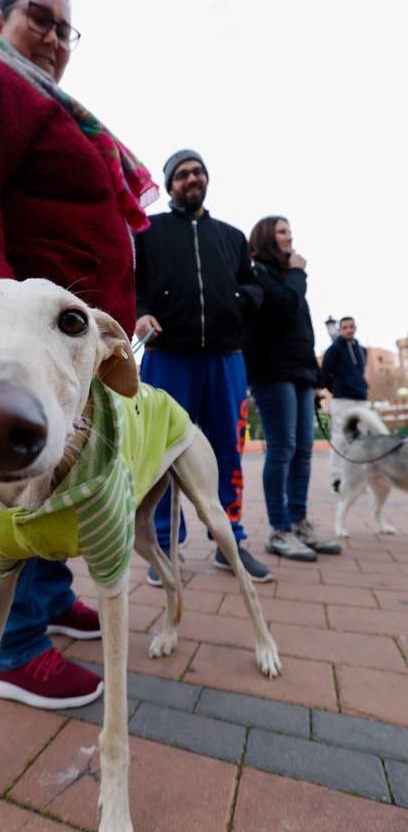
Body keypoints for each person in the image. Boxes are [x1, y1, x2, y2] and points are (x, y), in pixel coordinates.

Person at [0, 0, 156, 708]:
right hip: (24, 336)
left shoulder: (56, 112)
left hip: (68, 343)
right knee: (13, 454)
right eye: (37, 19)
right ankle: (12, 647)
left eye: (63, 30)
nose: (51, 39)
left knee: (63, 464)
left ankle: (46, 600)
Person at [134, 150, 273, 584]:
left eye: (197, 172)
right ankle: (163, 546)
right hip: (166, 356)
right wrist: (139, 315)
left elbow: (254, 287)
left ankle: (228, 539)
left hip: (225, 358)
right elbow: (132, 284)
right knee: (159, 453)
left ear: (206, 179)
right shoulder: (148, 233)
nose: (190, 178)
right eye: (180, 174)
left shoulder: (232, 237)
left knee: (227, 453)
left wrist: (238, 303)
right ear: (170, 184)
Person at [243, 216, 341, 561]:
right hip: (272, 373)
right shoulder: (258, 272)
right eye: (283, 231)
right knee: (282, 448)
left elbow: (303, 331)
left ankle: (299, 522)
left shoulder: (287, 278)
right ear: (268, 237)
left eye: (290, 231)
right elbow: (282, 309)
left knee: (302, 449)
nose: (290, 237)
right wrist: (299, 274)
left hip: (299, 373)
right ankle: (279, 529)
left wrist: (315, 381)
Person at [321, 317, 369, 493]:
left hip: (361, 398)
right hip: (342, 399)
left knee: (360, 439)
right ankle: (337, 479)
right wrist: (337, 390)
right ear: (340, 330)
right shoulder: (333, 350)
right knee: (340, 438)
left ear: (355, 327)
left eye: (351, 326)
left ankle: (358, 478)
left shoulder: (362, 350)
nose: (349, 330)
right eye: (345, 327)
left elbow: (361, 371)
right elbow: (325, 374)